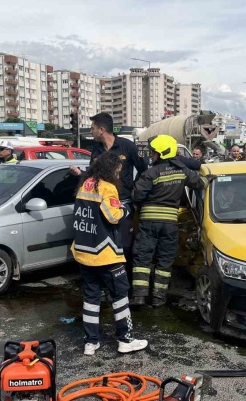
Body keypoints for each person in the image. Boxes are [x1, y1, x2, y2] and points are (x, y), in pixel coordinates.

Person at [71, 152, 148, 356]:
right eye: (118, 169)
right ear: (111, 169)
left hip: (84, 252)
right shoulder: (107, 187)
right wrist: (124, 210)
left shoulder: (85, 184)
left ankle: (90, 343)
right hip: (106, 254)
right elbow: (113, 217)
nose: (119, 173)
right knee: (120, 296)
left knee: (91, 299)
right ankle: (126, 340)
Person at [131, 135, 204, 307]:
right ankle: (158, 298)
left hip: (149, 223)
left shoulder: (150, 173)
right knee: (165, 260)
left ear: (162, 153)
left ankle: (140, 296)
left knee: (143, 259)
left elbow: (136, 195)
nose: (151, 155)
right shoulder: (183, 171)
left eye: (153, 152)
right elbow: (200, 182)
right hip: (170, 223)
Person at [69, 113, 147, 270]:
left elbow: (144, 170)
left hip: (123, 203)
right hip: (102, 204)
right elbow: (93, 175)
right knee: (106, 244)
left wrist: (135, 188)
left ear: (102, 130)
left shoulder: (127, 146)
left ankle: (124, 281)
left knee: (124, 244)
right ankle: (109, 281)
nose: (91, 132)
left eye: (93, 128)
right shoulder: (96, 150)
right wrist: (80, 174)